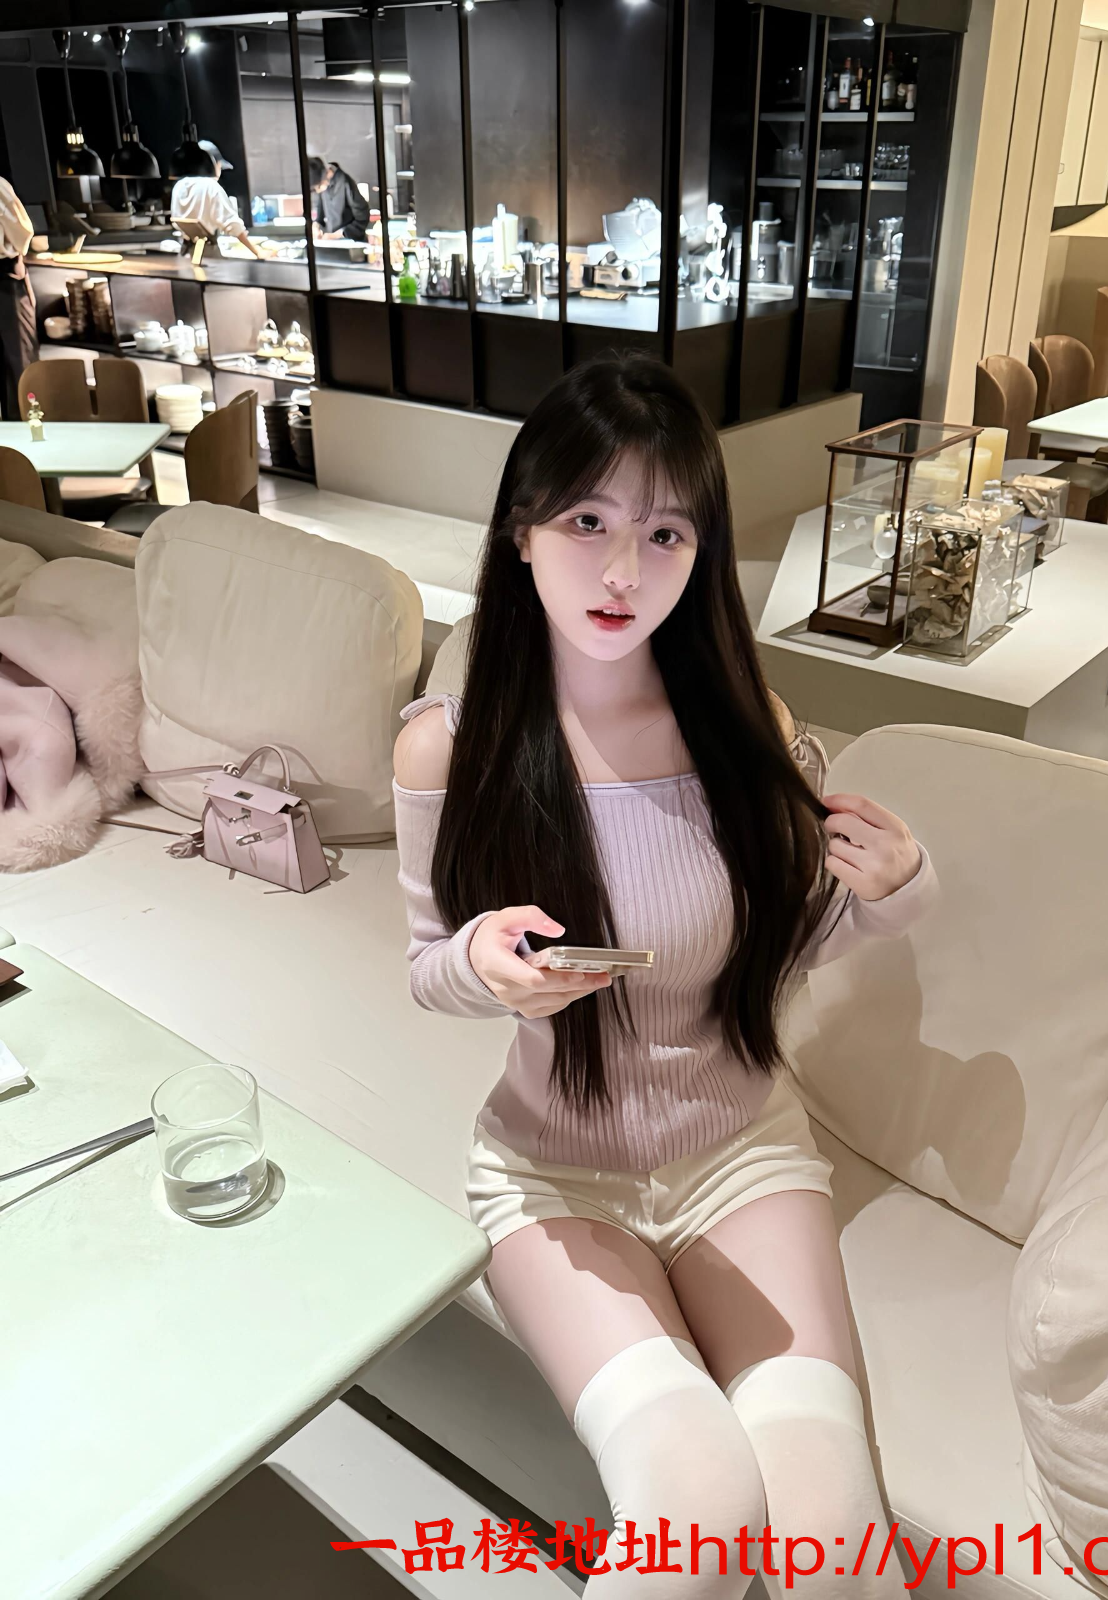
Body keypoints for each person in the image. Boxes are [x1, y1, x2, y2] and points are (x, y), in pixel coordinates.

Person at [392, 353, 939, 1600]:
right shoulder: (449, 747)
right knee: (695, 1507)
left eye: (665, 532)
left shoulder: (749, 726)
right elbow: (426, 966)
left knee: (833, 1546)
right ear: (522, 528)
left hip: (744, 1156)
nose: (624, 572)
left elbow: (784, 946)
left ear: (702, 552)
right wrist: (480, 965)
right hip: (550, 1171)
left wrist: (893, 891)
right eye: (588, 521)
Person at [169, 143, 266, 260]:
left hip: (185, 252)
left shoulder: (179, 186)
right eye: (219, 167)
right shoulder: (210, 186)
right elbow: (232, 224)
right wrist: (257, 252)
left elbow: (177, 221)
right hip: (206, 252)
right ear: (211, 163)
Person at [0, 175, 37, 421]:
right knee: (19, 362)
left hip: (6, 277)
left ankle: (24, 428)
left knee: (18, 363)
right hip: (6, 276)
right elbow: (22, 235)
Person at [307, 155, 369, 242]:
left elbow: (363, 217)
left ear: (327, 173)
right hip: (331, 242)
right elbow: (320, 213)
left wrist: (337, 235)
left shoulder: (345, 182)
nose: (318, 191)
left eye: (319, 186)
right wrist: (316, 225)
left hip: (352, 242)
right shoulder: (323, 184)